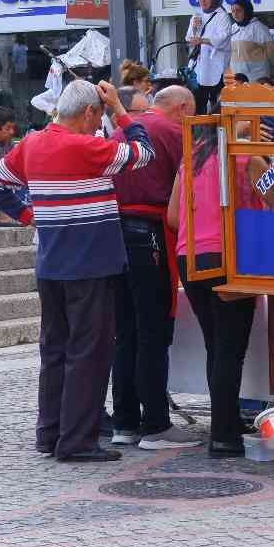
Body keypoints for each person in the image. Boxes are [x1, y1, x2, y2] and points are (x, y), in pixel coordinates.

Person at [0, 80, 155, 462]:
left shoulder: (32, 144)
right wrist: (121, 113)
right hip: (90, 265)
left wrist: (29, 216)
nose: (98, 124)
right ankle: (77, 441)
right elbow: (145, 153)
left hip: (52, 265)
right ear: (90, 112)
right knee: (89, 352)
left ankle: (50, 433)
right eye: (98, 116)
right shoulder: (87, 146)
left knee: (55, 351)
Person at [108, 84, 198, 451]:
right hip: (150, 234)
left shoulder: (123, 130)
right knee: (152, 331)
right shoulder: (174, 132)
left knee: (125, 331)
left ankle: (125, 421)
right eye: (192, 113)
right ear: (180, 108)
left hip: (115, 233)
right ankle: (156, 424)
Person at [168, 126, 266, 456]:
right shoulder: (246, 157)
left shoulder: (190, 157)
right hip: (229, 257)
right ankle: (224, 435)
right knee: (229, 348)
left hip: (190, 257)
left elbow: (171, 216)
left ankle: (227, 421)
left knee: (216, 343)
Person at [187, 0, 231, 113]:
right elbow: (189, 38)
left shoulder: (222, 16)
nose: (203, 0)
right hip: (198, 66)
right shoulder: (197, 14)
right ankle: (199, 131)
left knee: (216, 105)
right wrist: (194, 28)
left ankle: (215, 132)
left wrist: (203, 40)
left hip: (215, 65)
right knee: (198, 103)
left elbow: (222, 39)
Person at [227, 0, 274, 82]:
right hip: (238, 78)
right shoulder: (232, 28)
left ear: (246, 11)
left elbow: (271, 51)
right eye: (232, 11)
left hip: (257, 76)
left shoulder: (259, 28)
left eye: (238, 10)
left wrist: (267, 68)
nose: (235, 14)